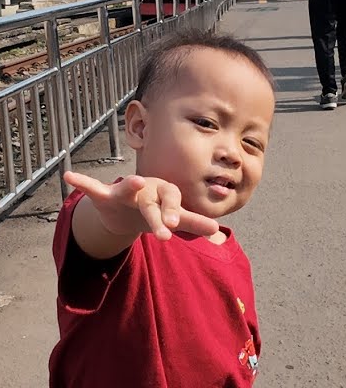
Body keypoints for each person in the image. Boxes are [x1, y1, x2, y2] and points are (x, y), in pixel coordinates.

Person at [49, 31, 275, 387]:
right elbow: (95, 235)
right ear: (140, 126)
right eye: (206, 123)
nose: (232, 152)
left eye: (252, 142)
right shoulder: (124, 222)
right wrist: (120, 219)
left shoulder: (228, 249)